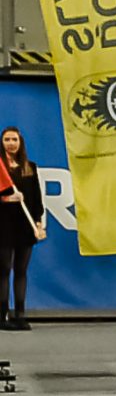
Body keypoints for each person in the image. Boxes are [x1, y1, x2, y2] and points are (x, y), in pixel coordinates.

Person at [0, 127, 40, 330]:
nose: (11, 143)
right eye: (7, 139)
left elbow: (37, 199)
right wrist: (7, 199)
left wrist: (38, 223)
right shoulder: (0, 168)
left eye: (14, 139)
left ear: (20, 142)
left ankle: (20, 314)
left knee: (21, 270)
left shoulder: (30, 167)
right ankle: (2, 316)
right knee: (3, 270)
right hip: (3, 226)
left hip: (25, 226)